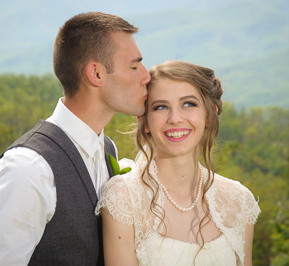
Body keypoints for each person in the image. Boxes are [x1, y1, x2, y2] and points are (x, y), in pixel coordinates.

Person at [0, 12, 151, 265]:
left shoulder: (106, 148)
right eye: (133, 66)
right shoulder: (27, 169)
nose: (146, 76)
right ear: (96, 74)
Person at [96, 60, 261, 266]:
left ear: (209, 115)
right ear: (145, 121)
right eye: (161, 107)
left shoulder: (239, 201)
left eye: (189, 104)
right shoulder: (124, 198)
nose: (175, 118)